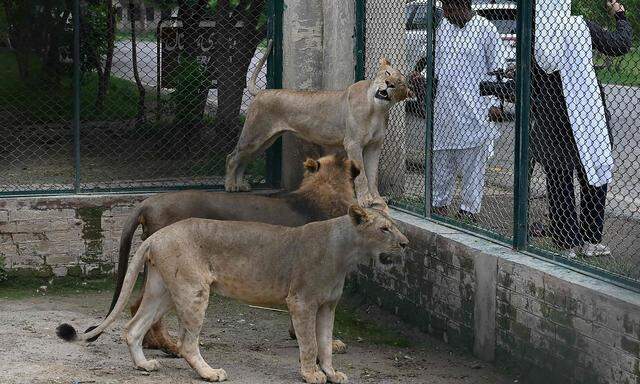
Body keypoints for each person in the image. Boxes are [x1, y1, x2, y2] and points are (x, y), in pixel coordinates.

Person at [530, 0, 632, 258]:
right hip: (587, 115)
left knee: (559, 180)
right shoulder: (579, 26)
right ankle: (590, 239)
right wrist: (620, 15)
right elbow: (619, 44)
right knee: (593, 175)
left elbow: (530, 81)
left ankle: (567, 242)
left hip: (552, 118)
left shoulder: (535, 38)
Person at [410, 0, 506, 222]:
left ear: (465, 5)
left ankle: (469, 210)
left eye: (451, 9)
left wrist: (494, 103)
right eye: (446, 9)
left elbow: (497, 69)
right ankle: (439, 204)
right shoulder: (443, 27)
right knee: (441, 161)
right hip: (445, 109)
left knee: (473, 164)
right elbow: (436, 65)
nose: (447, 13)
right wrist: (421, 77)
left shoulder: (485, 29)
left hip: (475, 109)